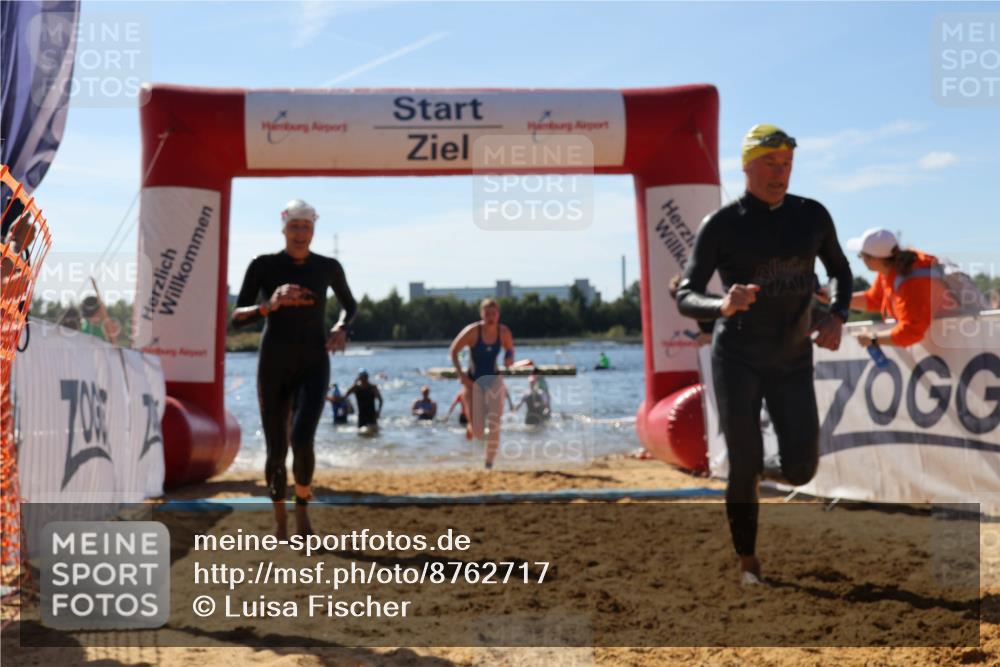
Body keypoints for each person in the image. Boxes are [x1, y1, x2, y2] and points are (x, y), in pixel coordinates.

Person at [676, 124, 853, 585]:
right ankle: (748, 561)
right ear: (747, 166)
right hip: (737, 357)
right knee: (742, 460)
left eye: (787, 165)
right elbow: (687, 294)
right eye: (771, 164)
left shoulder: (811, 216)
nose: (781, 173)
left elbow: (840, 270)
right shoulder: (722, 223)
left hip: (792, 358)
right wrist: (722, 304)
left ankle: (754, 473)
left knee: (802, 468)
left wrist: (837, 314)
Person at [231, 198, 357, 538]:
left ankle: (302, 511)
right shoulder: (263, 265)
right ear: (284, 228)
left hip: (314, 363)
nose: (301, 233)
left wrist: (342, 328)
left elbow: (350, 305)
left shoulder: (328, 267)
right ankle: (279, 517)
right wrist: (269, 305)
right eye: (295, 226)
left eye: (307, 227)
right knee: (276, 449)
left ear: (313, 230)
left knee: (302, 439)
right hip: (274, 364)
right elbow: (236, 318)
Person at [847, 227, 986, 349]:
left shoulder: (911, 282)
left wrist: (873, 339)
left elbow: (911, 331)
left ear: (874, 259)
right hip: (955, 342)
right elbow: (875, 300)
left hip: (963, 343)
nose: (861, 259)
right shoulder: (889, 272)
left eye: (861, 256)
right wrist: (835, 298)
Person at [449, 298, 515, 469]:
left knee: (495, 423)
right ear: (481, 314)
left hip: (495, 380)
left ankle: (489, 463)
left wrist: (509, 357)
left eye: (493, 313)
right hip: (472, 383)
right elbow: (454, 350)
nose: (490, 317)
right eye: (487, 314)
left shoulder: (503, 332)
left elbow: (510, 348)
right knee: (478, 432)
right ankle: (472, 426)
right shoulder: (473, 332)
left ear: (498, 314)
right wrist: (461, 375)